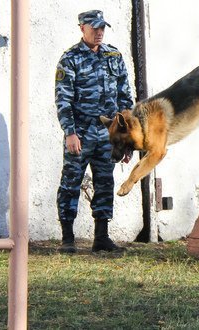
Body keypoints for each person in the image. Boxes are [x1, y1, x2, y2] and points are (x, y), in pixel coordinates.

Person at [54, 10, 134, 253]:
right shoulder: (70, 59)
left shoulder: (114, 55)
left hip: (107, 135)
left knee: (105, 182)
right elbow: (63, 99)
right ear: (82, 28)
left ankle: (101, 237)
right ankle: (68, 239)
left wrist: (126, 138)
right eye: (94, 28)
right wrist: (70, 132)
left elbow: (125, 98)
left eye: (102, 28)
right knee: (71, 182)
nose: (99, 33)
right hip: (80, 132)